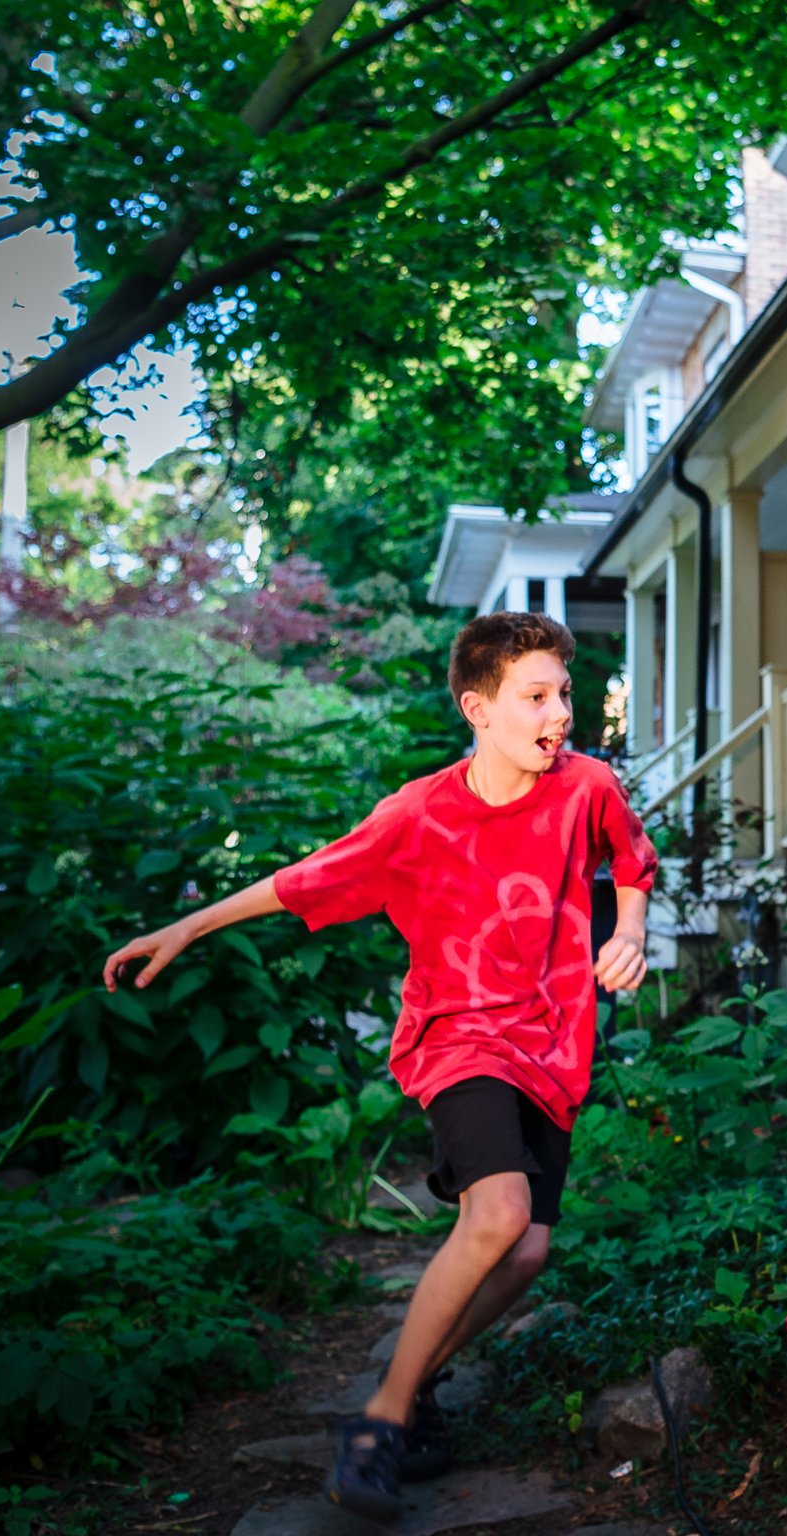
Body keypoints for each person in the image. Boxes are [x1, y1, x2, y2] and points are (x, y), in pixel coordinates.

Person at [102, 612, 657, 1518]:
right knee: (500, 1213)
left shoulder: (586, 786)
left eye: (564, 694)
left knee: (526, 1254)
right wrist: (187, 926)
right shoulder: (421, 812)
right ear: (479, 709)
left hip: (551, 1044)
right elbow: (305, 879)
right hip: (458, 1036)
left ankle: (415, 1379)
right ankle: (382, 1421)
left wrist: (628, 931)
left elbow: (628, 862)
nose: (559, 713)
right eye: (536, 697)